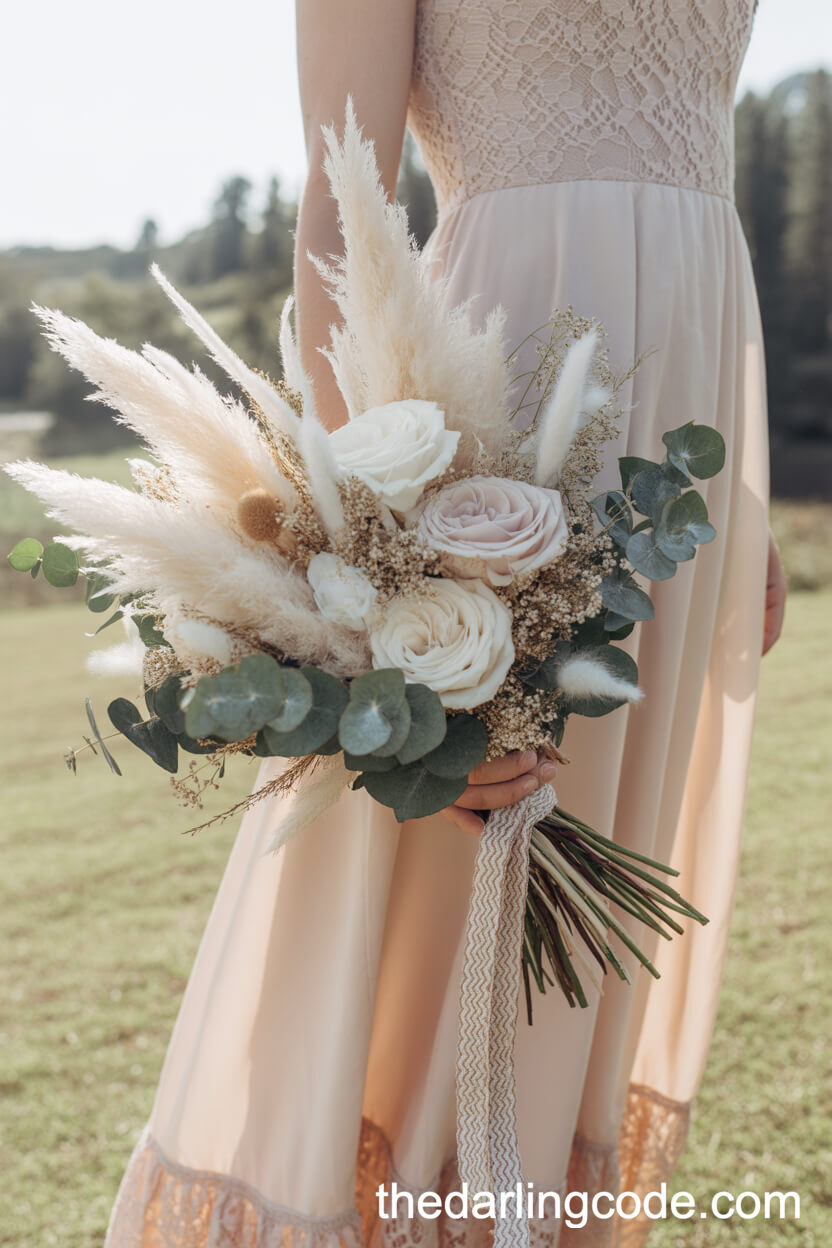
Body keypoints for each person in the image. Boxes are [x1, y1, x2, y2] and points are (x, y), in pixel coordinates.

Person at [103, 1, 787, 1245]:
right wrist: (361, 580)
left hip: (679, 410)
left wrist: (736, 498)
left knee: (584, 912)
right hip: (493, 415)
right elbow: (336, 206)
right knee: (436, 902)